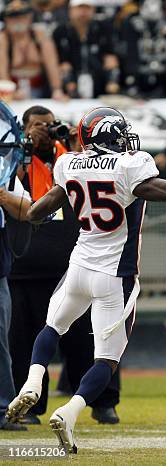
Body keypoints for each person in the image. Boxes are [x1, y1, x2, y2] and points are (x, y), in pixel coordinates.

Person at [5, 106, 166, 454]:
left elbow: (36, 213)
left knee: (52, 328)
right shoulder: (129, 165)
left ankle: (33, 381)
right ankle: (70, 411)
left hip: (78, 265)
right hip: (114, 276)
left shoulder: (69, 164)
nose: (127, 140)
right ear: (108, 135)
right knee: (107, 360)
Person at [8, 106, 119, 426]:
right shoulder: (17, 158)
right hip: (25, 267)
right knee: (24, 341)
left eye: (49, 125)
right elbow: (11, 186)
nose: (45, 131)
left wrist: (76, 145)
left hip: (74, 262)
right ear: (24, 129)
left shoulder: (71, 157)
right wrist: (25, 148)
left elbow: (94, 176)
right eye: (36, 126)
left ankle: (103, 401)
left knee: (90, 336)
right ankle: (28, 405)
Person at [0, 108, 32, 431]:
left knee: (0, 341)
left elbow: (28, 210)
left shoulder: (2, 167)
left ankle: (1, 409)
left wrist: (4, 197)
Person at [52, 0, 121, 99]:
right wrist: (67, 86)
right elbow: (61, 63)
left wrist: (112, 82)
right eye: (80, 8)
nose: (83, 12)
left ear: (93, 10)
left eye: (87, 8)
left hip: (99, 84)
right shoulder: (60, 32)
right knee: (65, 67)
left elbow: (110, 58)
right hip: (70, 85)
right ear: (70, 10)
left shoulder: (104, 29)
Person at [0, 0, 67, 100]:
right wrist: (10, 92)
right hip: (14, 90)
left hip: (39, 88)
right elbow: (2, 69)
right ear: (6, 20)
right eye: (13, 18)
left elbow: (52, 65)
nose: (18, 21)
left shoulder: (40, 36)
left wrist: (57, 89)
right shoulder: (3, 39)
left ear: (29, 18)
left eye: (22, 17)